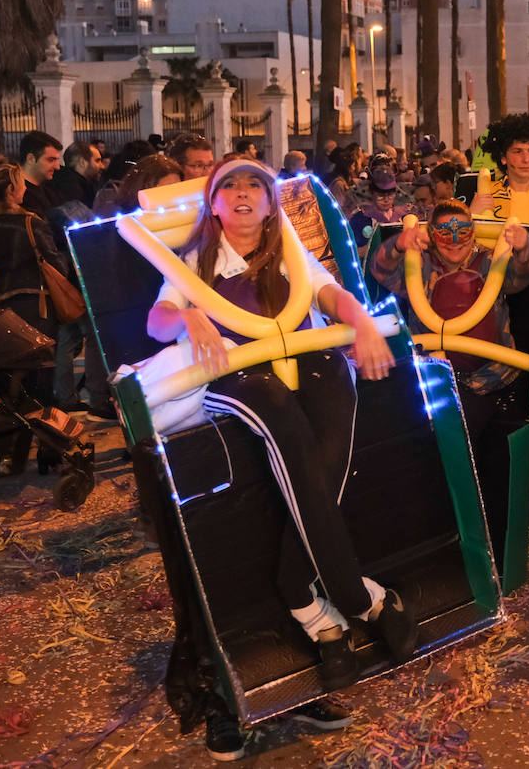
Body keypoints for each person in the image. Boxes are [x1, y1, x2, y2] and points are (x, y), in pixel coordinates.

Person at [146, 158, 417, 714]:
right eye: (230, 186)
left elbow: (327, 295)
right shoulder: (193, 259)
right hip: (242, 377)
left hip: (308, 360)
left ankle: (308, 604)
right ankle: (357, 597)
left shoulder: (291, 251)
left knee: (324, 461)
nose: (243, 193)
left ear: (271, 204)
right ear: (214, 204)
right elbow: (157, 319)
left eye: (255, 186)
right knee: (281, 421)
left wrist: (362, 322)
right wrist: (188, 318)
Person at [371, 199, 529, 569]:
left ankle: (484, 547)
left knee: (483, 459)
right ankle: (451, 542)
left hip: (493, 378)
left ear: (474, 233)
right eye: (444, 231)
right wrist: (400, 244)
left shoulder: (489, 261)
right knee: (444, 456)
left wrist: (524, 245)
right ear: (432, 236)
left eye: (462, 230)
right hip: (434, 379)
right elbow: (380, 270)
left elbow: (524, 274)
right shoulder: (419, 268)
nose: (454, 238)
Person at [0, 161, 70, 474]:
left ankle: (9, 453)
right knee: (41, 385)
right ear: (11, 189)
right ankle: (50, 454)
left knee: (2, 387)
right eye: (20, 183)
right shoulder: (30, 222)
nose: (25, 187)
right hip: (31, 314)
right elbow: (57, 265)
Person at [471, 113, 529, 225]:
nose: (526, 159)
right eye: (518, 152)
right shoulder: (487, 194)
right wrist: (470, 216)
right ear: (503, 158)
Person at [17, 130, 63, 218]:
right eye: (51, 160)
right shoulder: (18, 195)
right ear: (31, 159)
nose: (58, 167)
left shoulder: (50, 187)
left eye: (57, 160)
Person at [52, 141, 108, 208]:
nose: (102, 166)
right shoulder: (72, 191)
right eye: (97, 161)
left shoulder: (85, 185)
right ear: (82, 163)